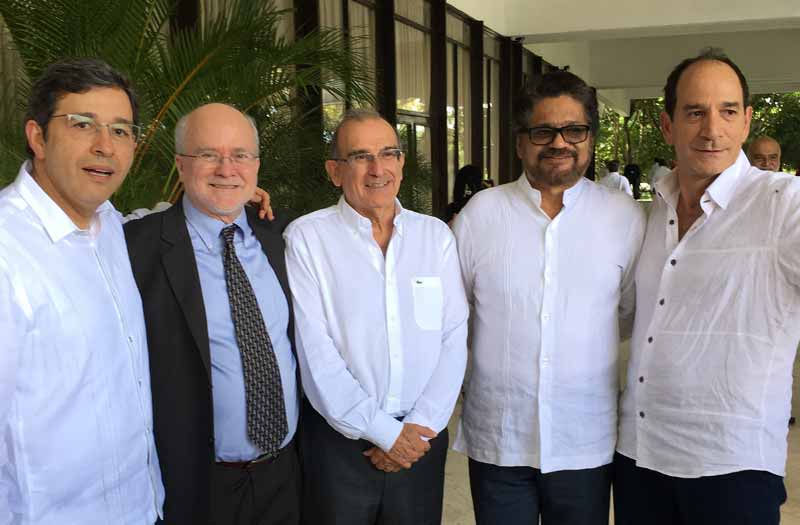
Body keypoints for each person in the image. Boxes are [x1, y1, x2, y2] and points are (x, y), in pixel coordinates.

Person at [615, 48, 799, 525]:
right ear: (667, 125)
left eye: (728, 111)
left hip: (732, 466)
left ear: (746, 121)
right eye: (695, 112)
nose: (712, 129)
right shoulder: (651, 214)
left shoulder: (783, 205)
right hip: (640, 458)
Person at [452, 71, 645, 525]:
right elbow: (453, 315)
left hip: (586, 441)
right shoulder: (480, 215)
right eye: (543, 131)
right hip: (499, 440)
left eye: (574, 130)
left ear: (590, 139)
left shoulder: (624, 217)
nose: (559, 142)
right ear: (520, 142)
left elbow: (630, 310)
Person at [284, 109, 468, 524]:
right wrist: (386, 434)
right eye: (361, 157)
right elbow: (316, 355)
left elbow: (454, 336)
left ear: (401, 163)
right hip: (340, 444)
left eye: (388, 154)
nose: (377, 169)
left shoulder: (434, 236)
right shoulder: (307, 238)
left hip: (422, 437)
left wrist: (417, 430)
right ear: (335, 171)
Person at [0, 58, 164, 523]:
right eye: (82, 124)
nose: (104, 146)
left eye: (120, 130)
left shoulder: (110, 226)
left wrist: (226, 197)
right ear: (38, 137)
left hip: (139, 506)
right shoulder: (7, 252)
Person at [124, 103, 300, 525]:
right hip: (194, 484)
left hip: (285, 475)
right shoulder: (134, 247)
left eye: (240, 155)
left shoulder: (283, 235)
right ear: (181, 165)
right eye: (208, 154)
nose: (227, 168)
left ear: (256, 166)